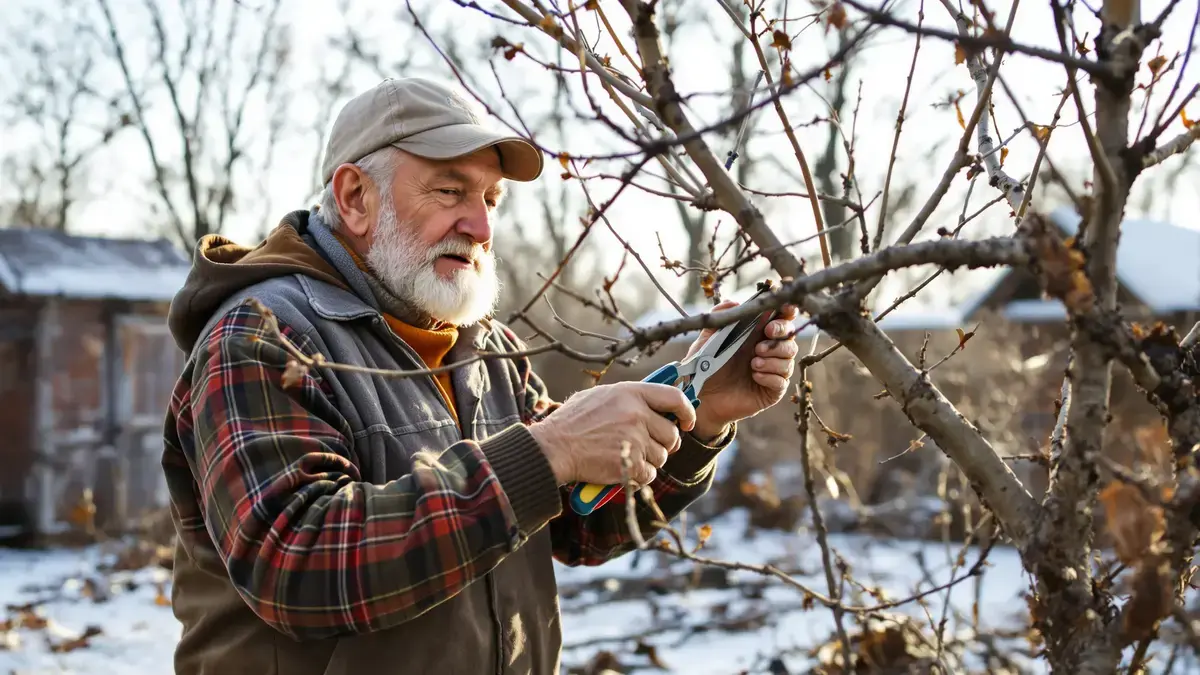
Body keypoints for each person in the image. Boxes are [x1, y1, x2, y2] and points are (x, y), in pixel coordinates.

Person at [161, 77, 799, 675]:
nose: (482, 226)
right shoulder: (263, 338)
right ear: (355, 197)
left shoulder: (487, 350)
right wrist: (550, 450)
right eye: (450, 191)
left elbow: (579, 526)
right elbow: (298, 566)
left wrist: (701, 414)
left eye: (490, 199)